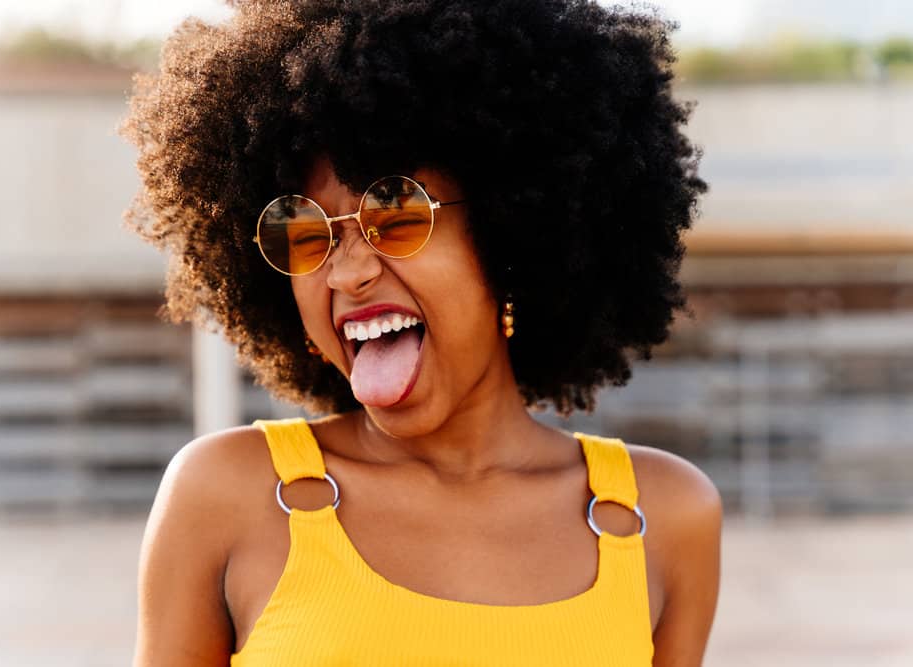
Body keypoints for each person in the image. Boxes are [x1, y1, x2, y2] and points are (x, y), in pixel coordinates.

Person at [122, 1, 721, 665]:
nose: (346, 272)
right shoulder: (224, 495)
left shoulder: (666, 516)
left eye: (397, 213)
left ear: (510, 236)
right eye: (302, 231)